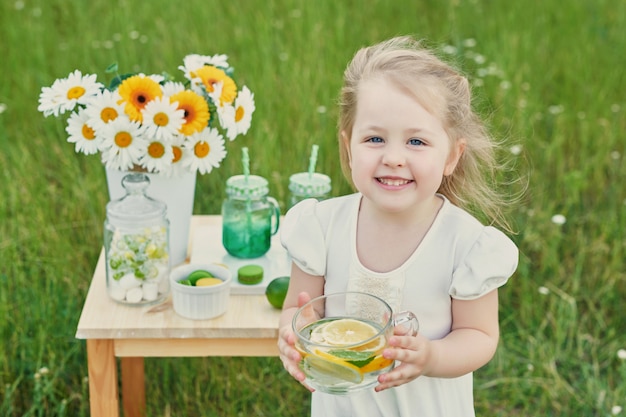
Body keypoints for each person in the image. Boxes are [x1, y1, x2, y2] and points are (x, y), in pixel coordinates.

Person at [278, 35, 519, 417]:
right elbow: (298, 308)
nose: (393, 158)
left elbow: (480, 336)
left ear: (452, 156)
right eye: (374, 138)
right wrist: (292, 334)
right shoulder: (321, 227)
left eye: (417, 142)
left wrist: (433, 356)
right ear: (348, 147)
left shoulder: (465, 245)